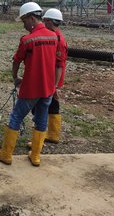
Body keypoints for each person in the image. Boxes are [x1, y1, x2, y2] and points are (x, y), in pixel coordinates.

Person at [0, 2, 58, 167]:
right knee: (41, 119)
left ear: (32, 18)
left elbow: (16, 60)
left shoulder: (28, 39)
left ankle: (6, 154)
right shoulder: (53, 36)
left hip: (31, 88)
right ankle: (35, 156)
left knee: (16, 117)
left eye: (24, 21)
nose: (24, 25)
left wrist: (15, 77)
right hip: (48, 88)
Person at [42, 8, 68, 144]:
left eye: (45, 20)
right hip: (49, 77)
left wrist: (54, 86)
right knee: (51, 103)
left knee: (52, 103)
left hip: (52, 79)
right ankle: (52, 134)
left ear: (50, 21)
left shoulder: (59, 40)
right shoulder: (52, 35)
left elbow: (59, 65)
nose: (43, 23)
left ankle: (52, 134)